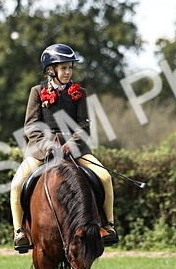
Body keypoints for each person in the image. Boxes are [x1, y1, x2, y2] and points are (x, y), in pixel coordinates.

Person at [9, 43, 118, 252]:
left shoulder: (80, 92)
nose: (68, 72)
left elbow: (85, 125)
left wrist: (70, 145)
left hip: (75, 150)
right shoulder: (37, 91)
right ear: (51, 71)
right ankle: (19, 232)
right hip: (42, 150)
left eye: (70, 68)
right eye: (64, 68)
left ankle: (109, 225)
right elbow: (31, 126)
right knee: (17, 183)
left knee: (104, 176)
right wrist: (48, 143)